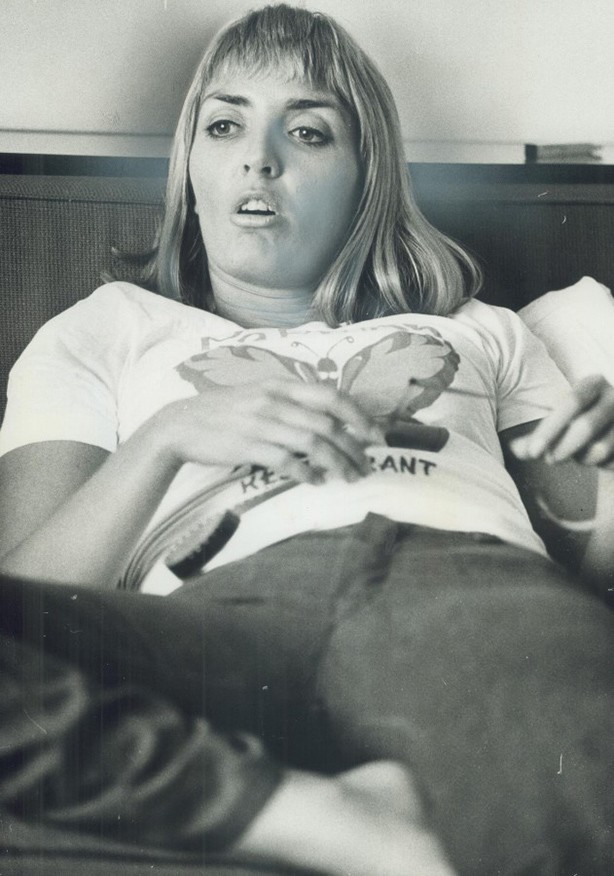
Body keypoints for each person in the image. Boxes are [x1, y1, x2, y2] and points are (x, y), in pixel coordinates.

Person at [0, 4, 612, 874]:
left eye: (308, 132)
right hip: (204, 624)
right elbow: (30, 598)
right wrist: (166, 439)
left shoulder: (481, 330)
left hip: (459, 592)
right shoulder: (106, 328)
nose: (258, 158)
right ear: (191, 167)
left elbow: (591, 567)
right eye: (224, 125)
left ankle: (273, 809)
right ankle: (318, 815)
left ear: (367, 177)